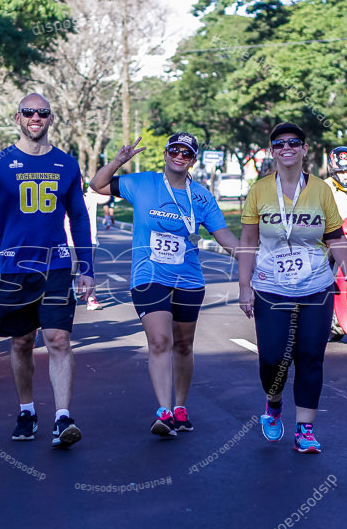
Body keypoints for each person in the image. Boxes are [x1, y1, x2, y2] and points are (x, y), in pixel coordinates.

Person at [0, 93, 94, 449]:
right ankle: (27, 410)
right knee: (22, 342)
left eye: (42, 113)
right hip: (14, 267)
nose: (35, 117)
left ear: (51, 119)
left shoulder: (67, 164)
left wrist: (87, 266)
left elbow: (77, 215)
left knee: (58, 340)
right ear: (17, 118)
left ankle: (63, 418)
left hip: (56, 264)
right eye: (29, 112)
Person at [90, 133, 239, 437]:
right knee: (160, 341)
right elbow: (97, 185)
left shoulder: (202, 197)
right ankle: (164, 411)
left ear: (193, 160)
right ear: (166, 153)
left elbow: (225, 237)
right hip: (149, 276)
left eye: (186, 153)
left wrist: (253, 258)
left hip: (189, 278)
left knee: (183, 345)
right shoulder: (142, 183)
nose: (179, 156)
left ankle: (180, 408)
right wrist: (119, 160)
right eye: (175, 150)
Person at [238, 123, 347, 453]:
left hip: (316, 286)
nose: (287, 148)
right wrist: (244, 286)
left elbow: (335, 237)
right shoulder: (259, 190)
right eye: (280, 143)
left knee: (310, 357)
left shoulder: (321, 191)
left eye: (294, 143)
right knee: (272, 358)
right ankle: (274, 403)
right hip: (270, 287)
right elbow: (248, 241)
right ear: (272, 151)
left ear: (304, 150)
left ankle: (305, 430)